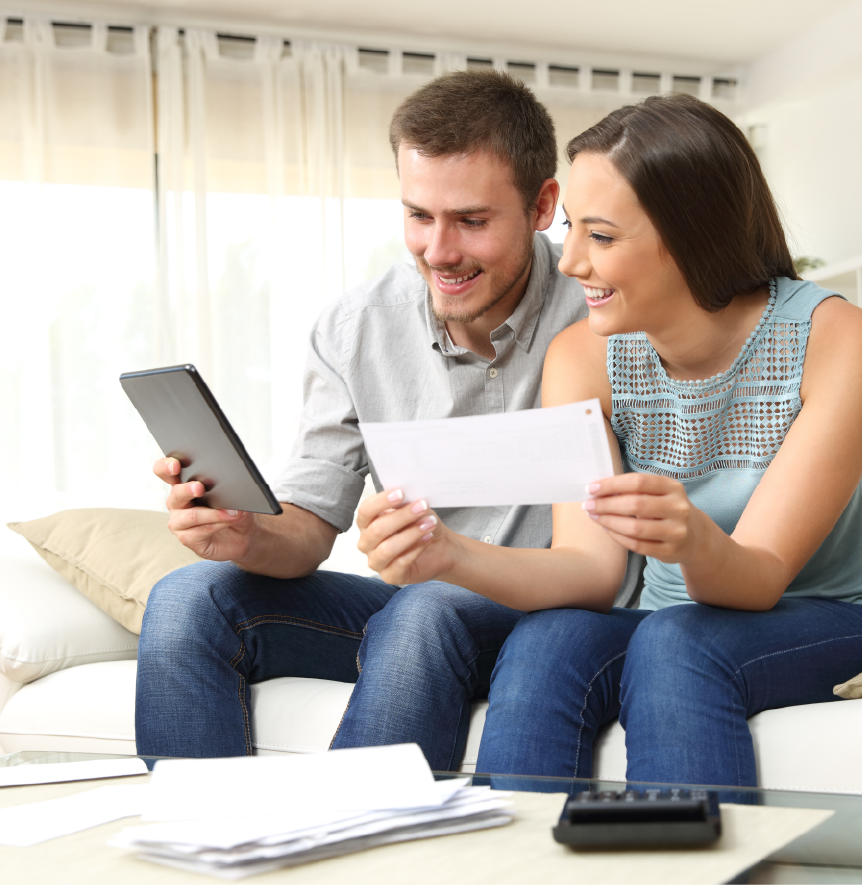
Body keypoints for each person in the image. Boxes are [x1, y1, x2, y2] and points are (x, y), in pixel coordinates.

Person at [357, 93, 862, 787]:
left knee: (677, 639)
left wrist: (690, 541)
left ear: (690, 234)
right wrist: (447, 552)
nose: (567, 263)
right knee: (547, 640)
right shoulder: (583, 357)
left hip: (833, 614)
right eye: (570, 230)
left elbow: (761, 575)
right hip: (668, 622)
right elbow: (589, 571)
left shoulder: (837, 339)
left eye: (600, 235)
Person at [135, 70, 638, 767]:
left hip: (552, 614)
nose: (438, 251)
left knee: (425, 605)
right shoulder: (353, 329)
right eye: (418, 216)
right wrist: (244, 532)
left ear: (541, 204)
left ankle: (354, 850)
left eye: (470, 220)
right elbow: (307, 529)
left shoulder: (605, 310)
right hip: (418, 615)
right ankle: (205, 853)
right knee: (188, 597)